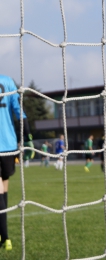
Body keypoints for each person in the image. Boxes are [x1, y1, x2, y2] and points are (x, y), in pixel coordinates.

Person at [0, 75, 33, 250]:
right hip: (9, 144)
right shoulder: (8, 81)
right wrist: (27, 137)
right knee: (3, 187)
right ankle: (4, 235)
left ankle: (5, 236)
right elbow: (19, 111)